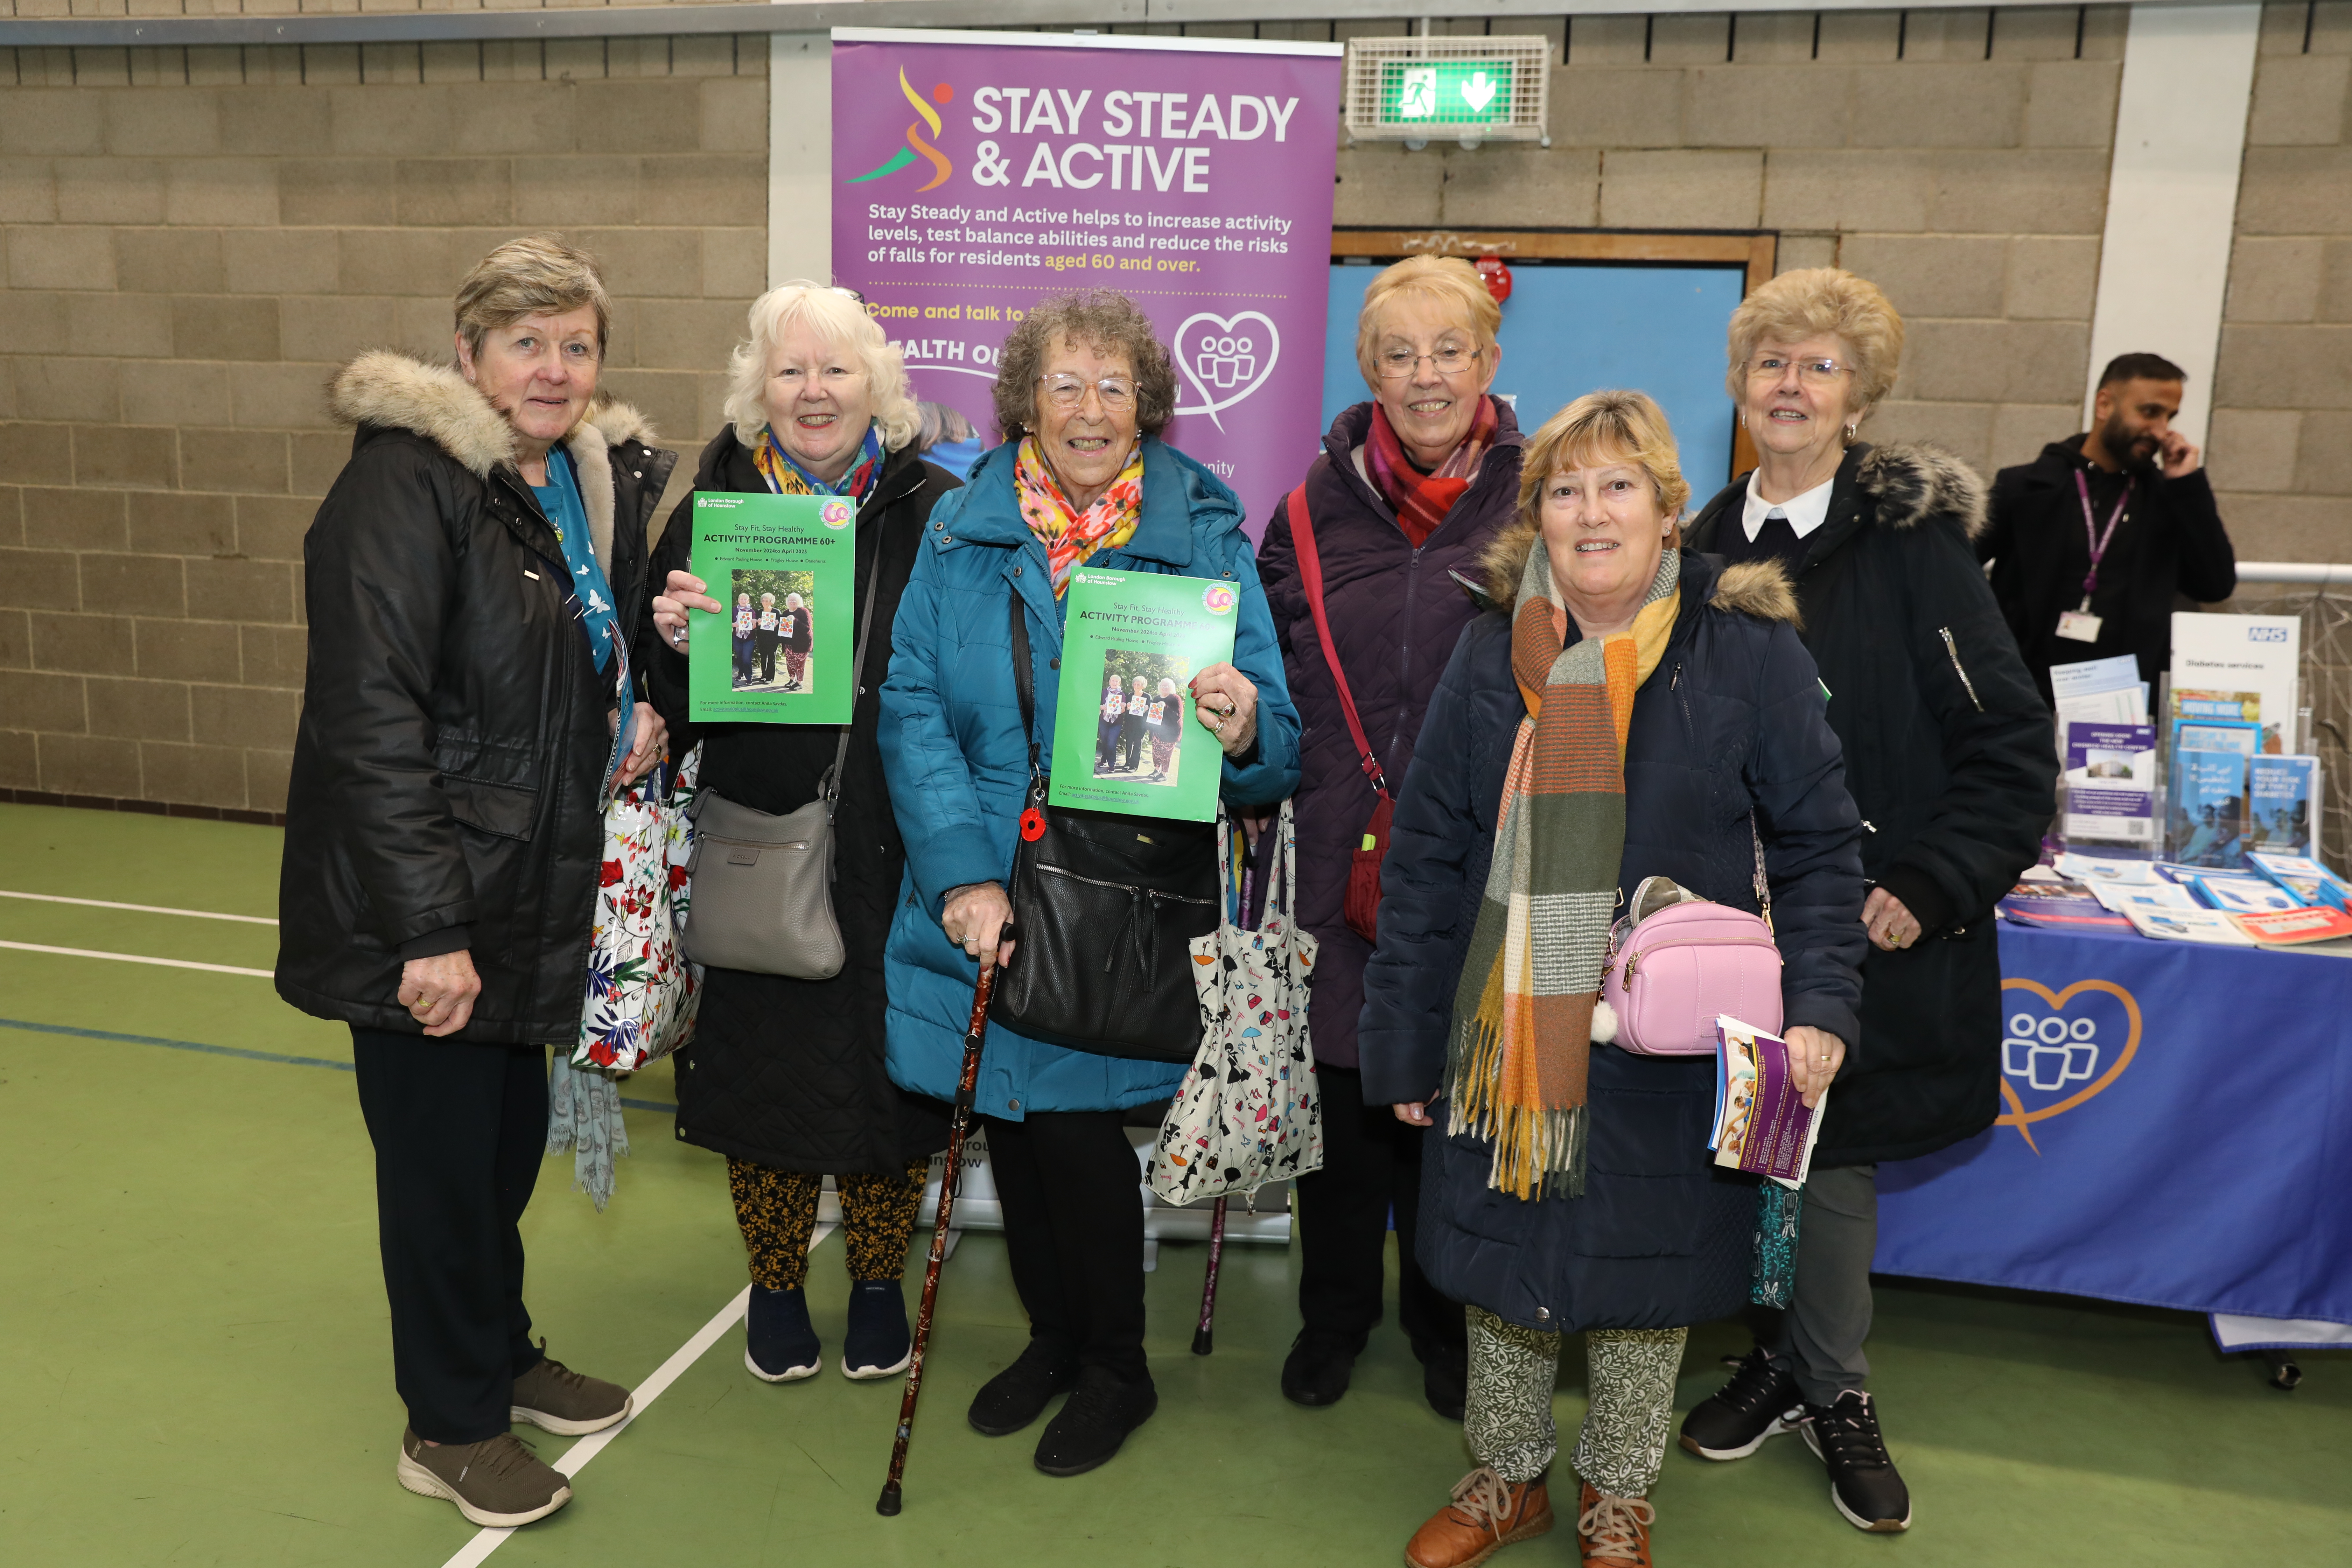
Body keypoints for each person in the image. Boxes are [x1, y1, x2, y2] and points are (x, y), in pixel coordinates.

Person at [1362, 390, 1865, 1568]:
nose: (1592, 514)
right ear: (1536, 515)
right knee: (1506, 1266)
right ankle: (1508, 1477)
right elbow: (1427, 852)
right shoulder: (1490, 651)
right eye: (1566, 491)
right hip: (1510, 1030)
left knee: (1650, 1275)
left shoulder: (1748, 652)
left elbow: (1819, 846)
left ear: (1669, 513)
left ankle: (1619, 1492)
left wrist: (1822, 1007)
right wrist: (1403, 1037)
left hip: (1679, 1041)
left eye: (1620, 487)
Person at [277, 236, 672, 1530]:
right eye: (525, 344)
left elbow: (557, 660)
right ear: (467, 353)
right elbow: (370, 718)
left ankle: (497, 1349)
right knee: (441, 1173)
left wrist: (631, 699)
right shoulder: (405, 482)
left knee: (498, 1155)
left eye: (576, 346)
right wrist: (429, 929)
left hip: (528, 891)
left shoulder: (567, 481)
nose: (553, 370)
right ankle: (448, 1422)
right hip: (431, 902)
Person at [878, 289, 1300, 1478]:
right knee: (1012, 1127)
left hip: (1116, 899)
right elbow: (912, 707)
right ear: (1026, 402)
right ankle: (1053, 1340)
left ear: (1146, 407)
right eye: (1064, 384)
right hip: (982, 887)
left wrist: (1242, 723)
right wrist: (963, 878)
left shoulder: (1203, 533)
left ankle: (1118, 1366)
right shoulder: (960, 530)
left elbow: (1277, 742)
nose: (1090, 408)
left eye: (1115, 386)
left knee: (1071, 1132)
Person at [1680, 268, 2057, 1534]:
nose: (1789, 385)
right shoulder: (1696, 544)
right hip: (1720, 924)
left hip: (1859, 918)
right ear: (1737, 384)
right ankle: (1774, 1359)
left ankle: (1833, 1387)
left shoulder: (1912, 546)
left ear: (1858, 398)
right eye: (1769, 361)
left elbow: (2008, 741)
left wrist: (1928, 882)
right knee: (1750, 1152)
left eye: (1819, 366)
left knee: (1827, 1159)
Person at [645, 282, 961, 1385]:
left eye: (835, 368)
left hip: (903, 846)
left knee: (892, 1085)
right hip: (761, 838)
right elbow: (664, 707)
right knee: (763, 1079)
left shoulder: (938, 509)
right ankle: (775, 1287)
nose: (813, 391)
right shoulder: (712, 510)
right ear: (759, 389)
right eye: (790, 370)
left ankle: (877, 1283)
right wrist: (671, 642)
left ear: (876, 384)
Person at [1256, 254, 1521, 1419]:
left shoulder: (1543, 500)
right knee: (1343, 1091)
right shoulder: (1306, 512)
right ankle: (1333, 1317)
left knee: (1453, 1098)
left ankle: (1443, 1323)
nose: (1426, 377)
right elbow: (1269, 670)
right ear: (1368, 371)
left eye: (1449, 351)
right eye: (1401, 355)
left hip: (1480, 852)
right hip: (1337, 845)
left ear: (1489, 361)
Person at [1980, 352, 2237, 704]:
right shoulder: (2025, 488)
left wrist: (2187, 487)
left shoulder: (2169, 499)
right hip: (2022, 693)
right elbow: (1958, 568)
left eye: (2169, 417)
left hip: (2123, 704)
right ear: (2104, 405)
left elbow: (2216, 585)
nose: (2161, 431)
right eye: (2150, 412)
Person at [1148, 676, 1185, 782]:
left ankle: (1164, 774)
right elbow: (1152, 715)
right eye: (1163, 686)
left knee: (1166, 755)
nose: (1164, 688)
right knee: (1156, 752)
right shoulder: (1156, 699)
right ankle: (1157, 770)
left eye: (1167, 686)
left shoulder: (1176, 699)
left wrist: (1166, 707)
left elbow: (1178, 716)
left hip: (1170, 733)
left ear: (1172, 687)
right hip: (1157, 732)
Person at [780, 589, 814, 690]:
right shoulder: (786, 613)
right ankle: (792, 680)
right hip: (788, 643)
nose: (792, 602)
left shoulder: (804, 612)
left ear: (799, 601)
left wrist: (795, 620)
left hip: (801, 643)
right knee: (790, 663)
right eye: (790, 600)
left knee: (800, 664)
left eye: (795, 600)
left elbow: (808, 628)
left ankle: (799, 683)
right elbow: (783, 628)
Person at [1097, 673, 1126, 773]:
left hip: (1116, 723)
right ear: (1110, 682)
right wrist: (1101, 707)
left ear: (1120, 683)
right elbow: (1098, 703)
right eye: (1113, 681)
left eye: (1117, 681)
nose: (1115, 683)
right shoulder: (1104, 692)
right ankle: (1103, 760)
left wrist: (1123, 707)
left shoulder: (1122, 695)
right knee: (1105, 742)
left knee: (1112, 743)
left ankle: (1112, 764)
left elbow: (1123, 711)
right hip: (1104, 721)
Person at [753, 591, 783, 685]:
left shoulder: (777, 612)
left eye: (767, 601)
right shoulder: (760, 612)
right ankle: (764, 675)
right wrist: (758, 623)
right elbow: (756, 626)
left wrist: (777, 625)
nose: (765, 603)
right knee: (763, 657)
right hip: (762, 638)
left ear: (771, 602)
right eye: (763, 601)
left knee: (771, 657)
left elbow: (782, 626)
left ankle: (770, 678)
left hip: (773, 638)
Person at [732, 592, 757, 686]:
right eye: (742, 599)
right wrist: (733, 624)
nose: (743, 601)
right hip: (737, 637)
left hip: (749, 638)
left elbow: (754, 627)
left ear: (748, 601)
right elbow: (729, 621)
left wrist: (754, 623)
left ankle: (749, 677)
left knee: (747, 658)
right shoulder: (734, 610)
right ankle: (741, 674)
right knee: (740, 657)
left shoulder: (752, 612)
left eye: (745, 599)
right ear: (739, 601)